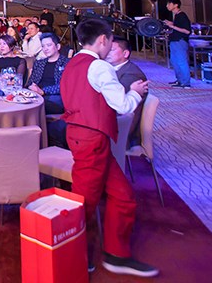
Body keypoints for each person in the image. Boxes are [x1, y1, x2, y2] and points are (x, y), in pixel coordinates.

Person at [61, 18, 155, 277]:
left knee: (123, 196)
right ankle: (73, 255)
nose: (111, 45)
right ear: (103, 39)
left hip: (87, 137)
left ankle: (116, 254)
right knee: (85, 202)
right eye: (111, 40)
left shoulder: (72, 63)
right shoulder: (99, 67)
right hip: (91, 140)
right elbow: (122, 105)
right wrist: (135, 92)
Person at [26, 32, 70, 147]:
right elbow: (31, 82)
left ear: (58, 46)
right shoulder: (39, 63)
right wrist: (31, 87)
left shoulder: (66, 63)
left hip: (56, 97)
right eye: (43, 46)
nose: (45, 49)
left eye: (49, 45)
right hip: (36, 95)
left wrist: (43, 91)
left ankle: (39, 141)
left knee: (33, 107)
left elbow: (64, 85)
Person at [106, 37, 148, 142]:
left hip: (120, 128)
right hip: (110, 119)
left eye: (111, 50)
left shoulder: (133, 74)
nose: (107, 53)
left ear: (125, 54)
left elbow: (112, 100)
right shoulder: (111, 69)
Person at [164, 0, 192, 88]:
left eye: (169, 4)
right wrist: (171, 24)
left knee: (181, 61)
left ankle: (186, 83)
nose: (167, 6)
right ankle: (180, 80)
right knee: (174, 61)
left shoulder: (182, 15)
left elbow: (187, 31)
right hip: (174, 41)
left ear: (176, 5)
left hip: (180, 41)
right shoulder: (176, 16)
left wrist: (172, 26)